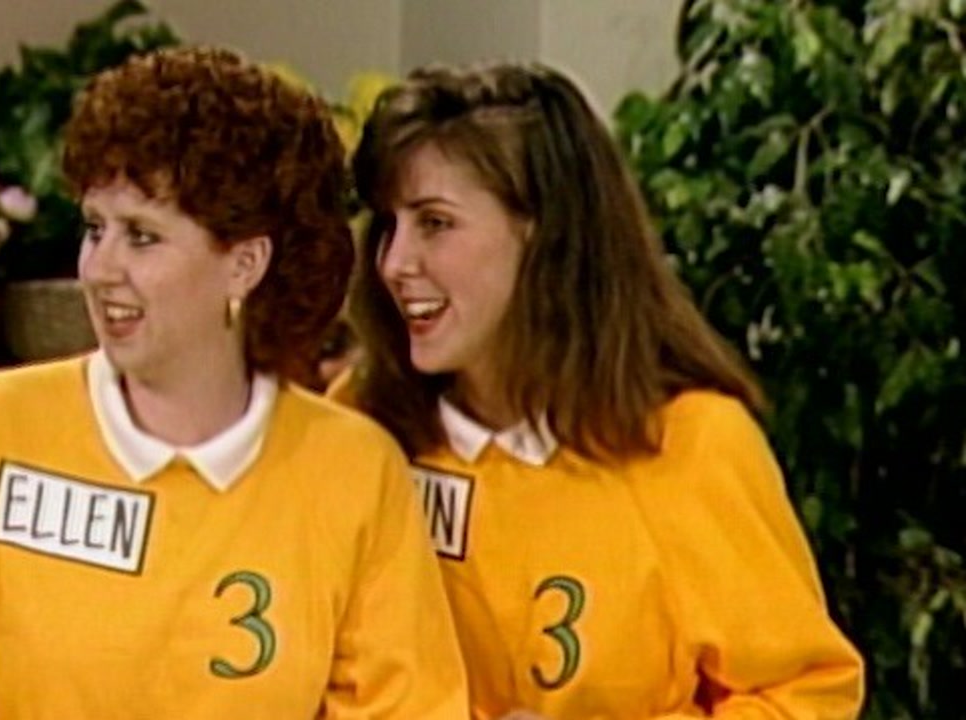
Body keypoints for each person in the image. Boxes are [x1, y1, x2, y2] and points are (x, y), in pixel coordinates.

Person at [0, 47, 468, 719]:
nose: (100, 269)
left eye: (142, 237)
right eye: (96, 229)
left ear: (245, 264)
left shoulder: (352, 473)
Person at [334, 61, 865, 719]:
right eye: (388, 225)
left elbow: (806, 698)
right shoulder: (359, 423)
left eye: (435, 223)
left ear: (544, 233)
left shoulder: (691, 444)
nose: (393, 263)